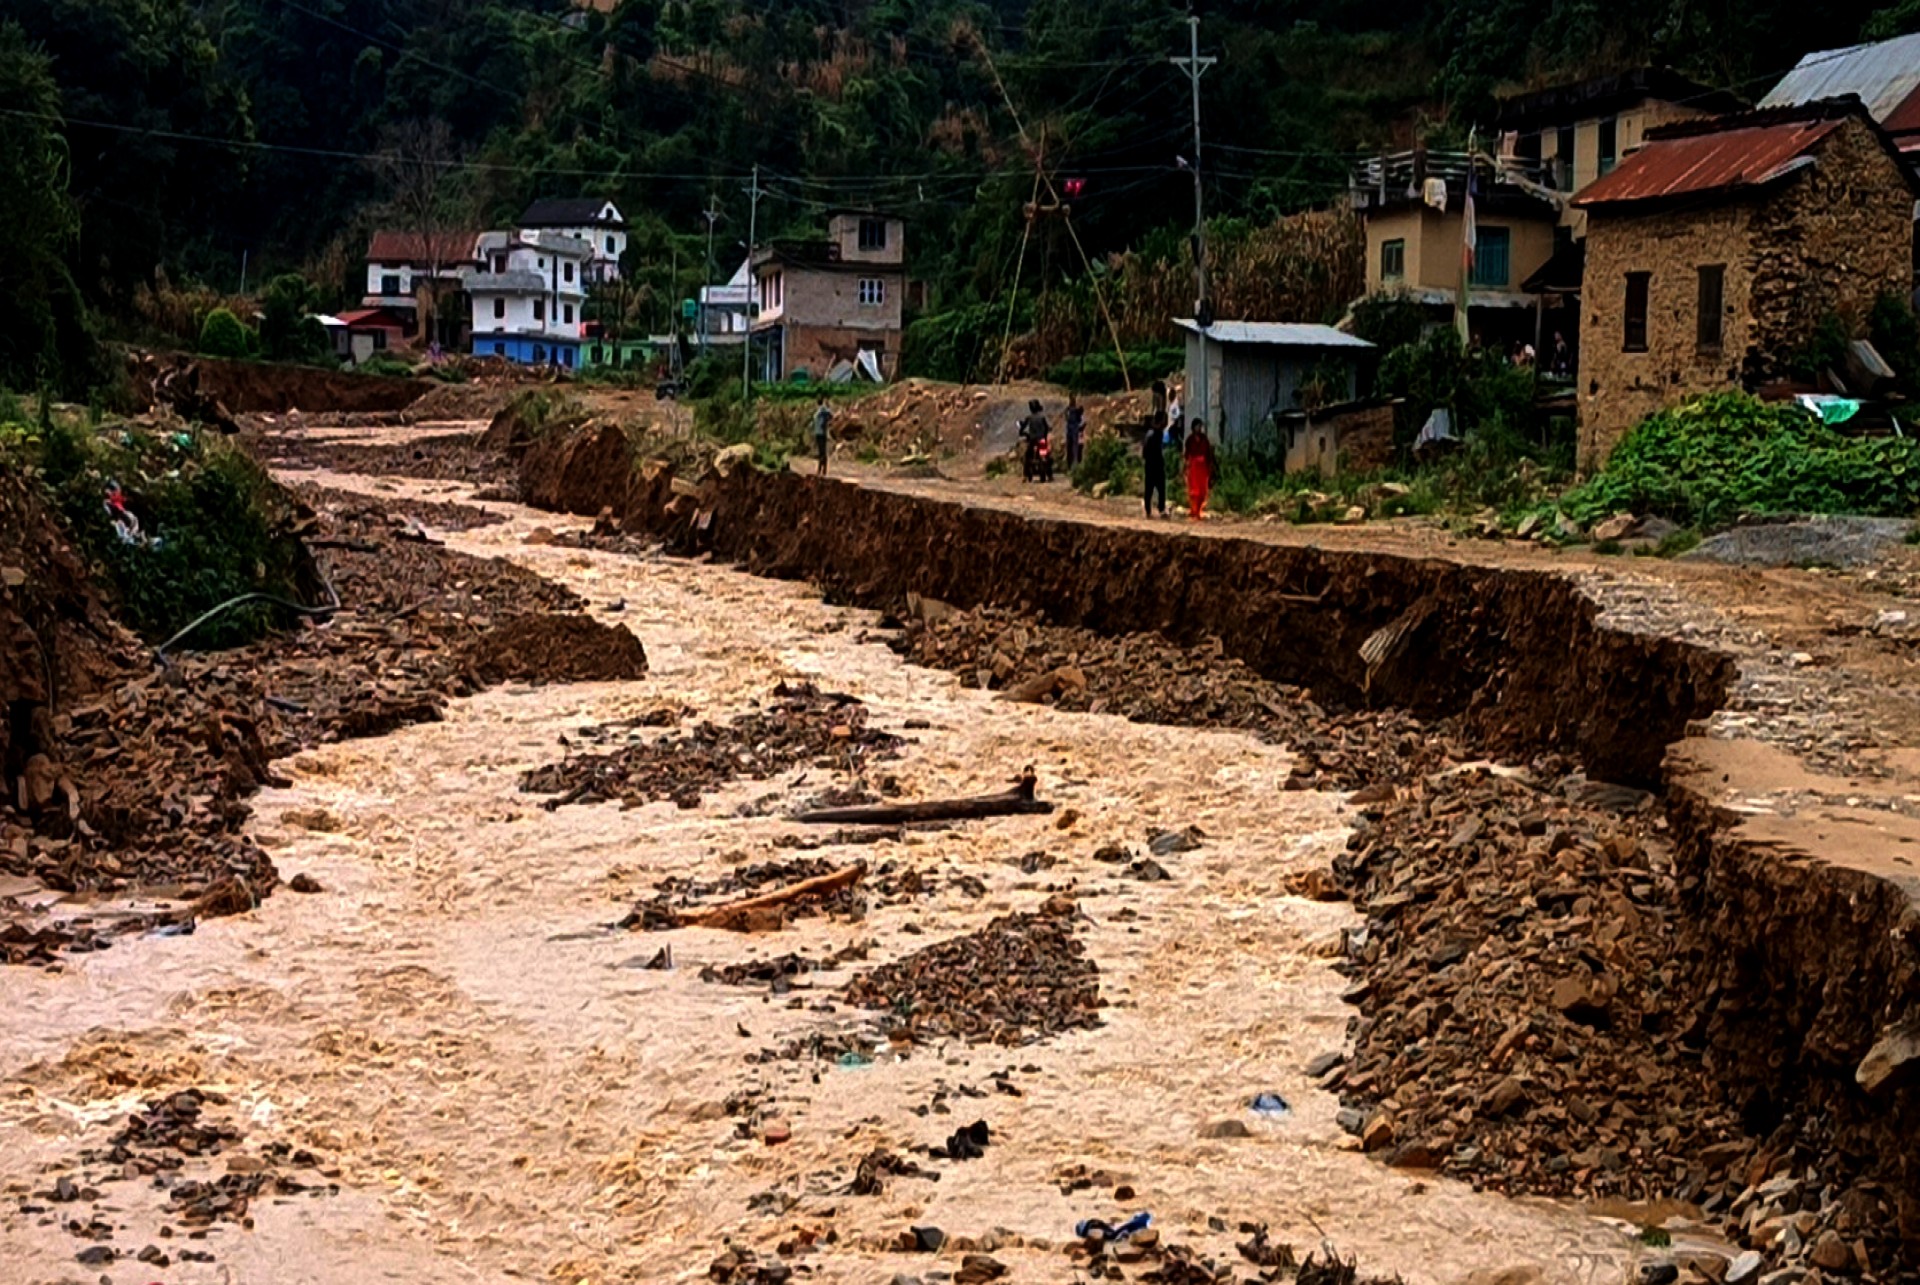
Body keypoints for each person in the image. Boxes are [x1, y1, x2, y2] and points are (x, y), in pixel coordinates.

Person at [1184, 419, 1217, 521]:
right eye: (1197, 426)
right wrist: (1185, 466)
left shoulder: (1204, 439)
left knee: (1203, 490)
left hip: (1203, 467)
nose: (1198, 428)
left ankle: (1199, 510)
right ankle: (1194, 511)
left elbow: (1208, 454)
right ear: (1193, 427)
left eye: (1200, 426)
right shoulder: (1190, 439)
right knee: (1193, 490)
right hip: (1193, 467)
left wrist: (1210, 466)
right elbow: (1186, 454)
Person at [1019, 399, 1052, 483]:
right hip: (1041, 440)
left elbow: (1022, 428)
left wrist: (1023, 433)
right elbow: (1048, 428)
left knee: (1027, 457)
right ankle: (1050, 475)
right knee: (1046, 457)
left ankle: (1025, 476)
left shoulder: (1029, 418)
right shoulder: (1042, 417)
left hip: (1032, 440)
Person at [1141, 413, 1168, 518]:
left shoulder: (1159, 433)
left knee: (1160, 488)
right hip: (1152, 465)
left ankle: (1160, 509)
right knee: (1150, 488)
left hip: (1157, 464)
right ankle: (1148, 510)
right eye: (1164, 420)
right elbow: (1145, 451)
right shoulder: (1152, 434)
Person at [1063, 395, 1086, 470]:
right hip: (1074, 430)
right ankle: (1073, 465)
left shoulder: (1069, 410)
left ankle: (1071, 465)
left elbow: (1066, 417)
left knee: (1071, 448)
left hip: (1072, 430)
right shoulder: (1074, 410)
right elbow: (1082, 422)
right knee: (1073, 448)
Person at [811, 398, 832, 475]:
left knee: (821, 452)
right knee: (822, 451)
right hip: (821, 433)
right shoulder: (823, 411)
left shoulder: (821, 411)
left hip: (820, 433)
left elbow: (830, 416)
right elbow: (830, 416)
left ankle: (821, 469)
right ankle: (822, 469)